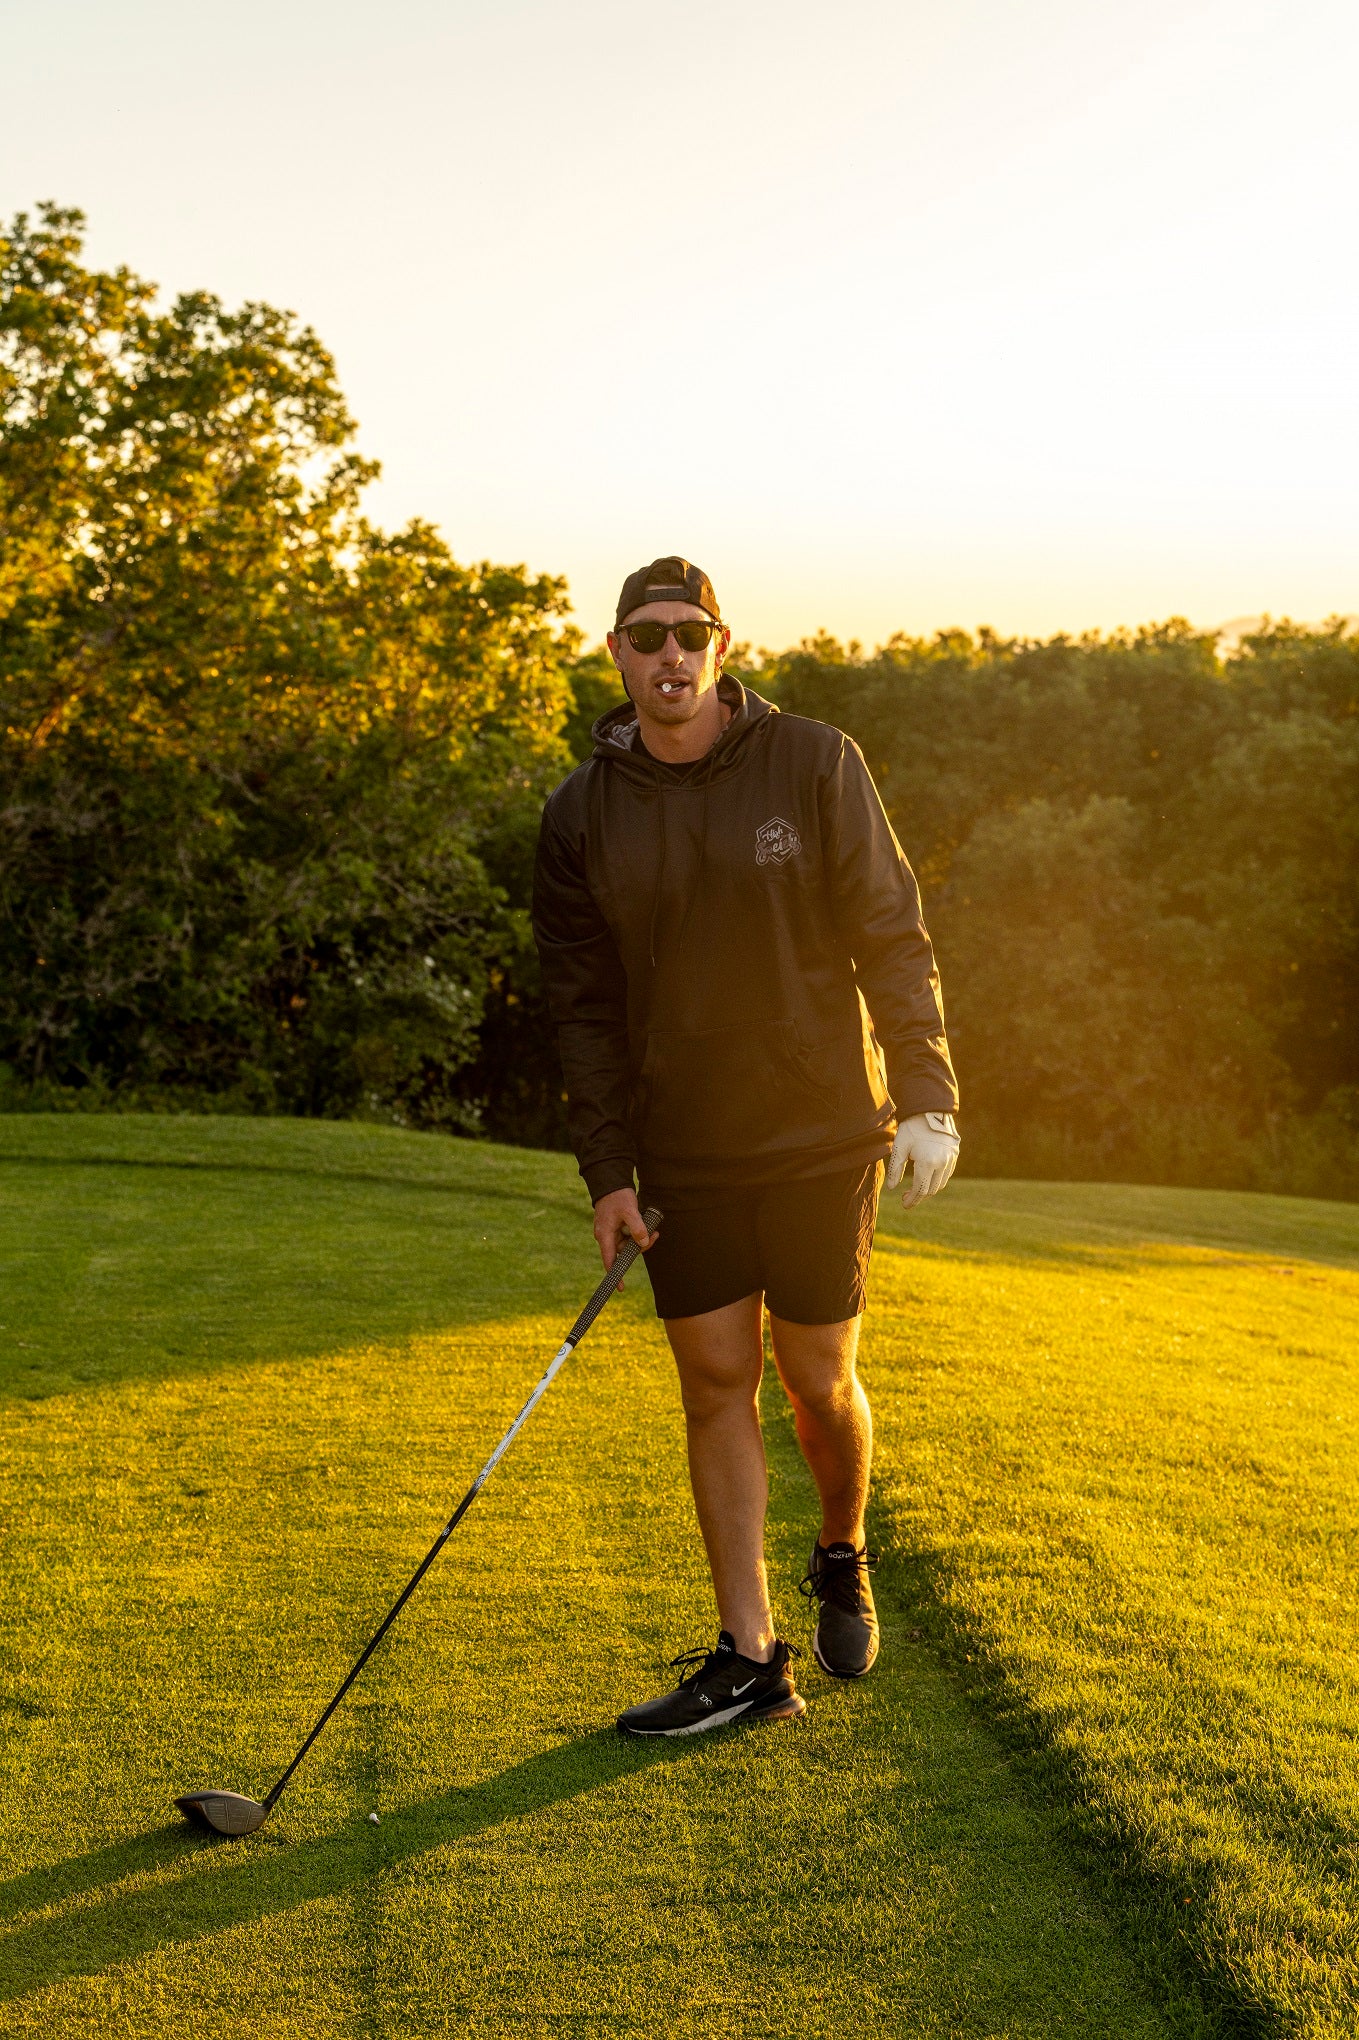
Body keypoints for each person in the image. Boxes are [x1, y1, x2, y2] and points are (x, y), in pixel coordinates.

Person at [532, 556, 959, 1736]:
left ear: (722, 648)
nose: (669, 654)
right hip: (686, 1146)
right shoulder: (579, 813)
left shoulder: (813, 761)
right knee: (715, 1383)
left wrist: (927, 1093)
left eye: (690, 633)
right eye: (646, 637)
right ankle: (750, 1658)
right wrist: (608, 1172)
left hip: (823, 1130)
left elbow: (891, 931)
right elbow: (582, 1010)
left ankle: (842, 1550)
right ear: (617, 655)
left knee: (816, 1380)